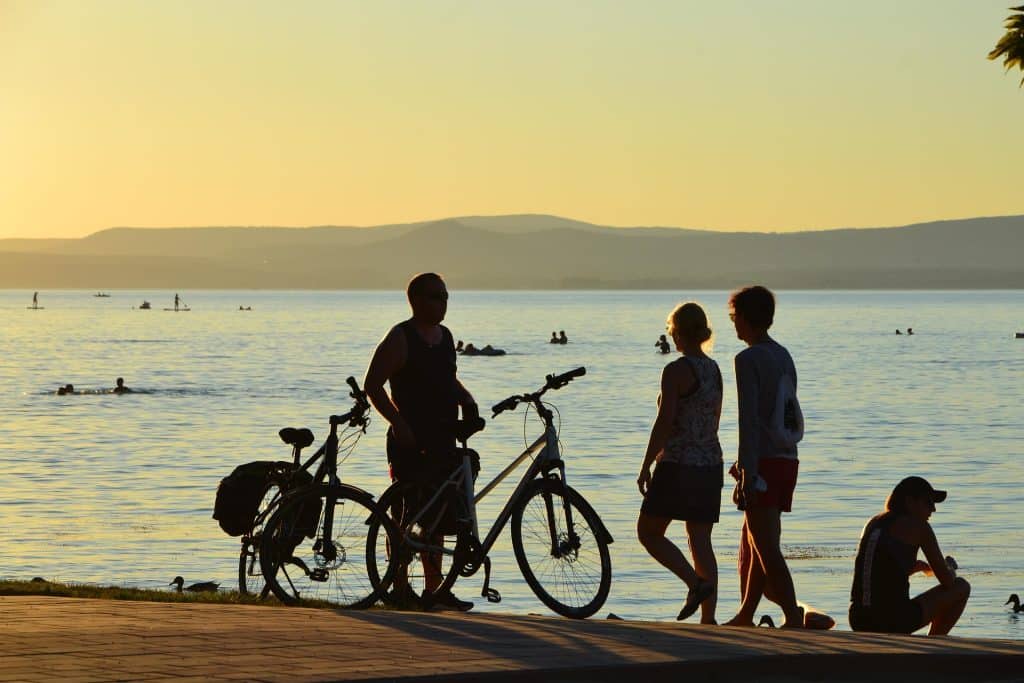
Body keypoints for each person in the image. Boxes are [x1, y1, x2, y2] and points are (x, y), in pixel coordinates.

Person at [364, 272, 478, 612]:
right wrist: (398, 422)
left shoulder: (445, 338)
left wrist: (468, 402)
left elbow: (448, 379)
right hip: (410, 437)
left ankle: (435, 589)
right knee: (405, 513)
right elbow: (373, 385)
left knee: (440, 514)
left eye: (445, 297)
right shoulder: (401, 337)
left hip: (443, 434)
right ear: (416, 300)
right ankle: (398, 586)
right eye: (435, 296)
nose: (442, 303)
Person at [637, 302, 723, 623]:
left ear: (677, 332)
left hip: (679, 464)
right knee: (700, 540)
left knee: (648, 532)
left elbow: (665, 420)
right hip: (710, 463)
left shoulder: (675, 370)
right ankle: (708, 619)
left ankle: (695, 583)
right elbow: (714, 417)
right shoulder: (713, 369)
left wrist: (647, 463)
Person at [725, 285, 804, 628]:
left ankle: (793, 615)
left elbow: (749, 420)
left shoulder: (748, 359)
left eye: (734, 317)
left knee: (766, 545)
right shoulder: (783, 355)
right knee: (758, 540)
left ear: (744, 317)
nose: (733, 325)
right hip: (787, 458)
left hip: (765, 462)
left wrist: (746, 470)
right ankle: (745, 613)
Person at [849, 477, 970, 635]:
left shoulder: (873, 523)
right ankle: (934, 644)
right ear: (910, 502)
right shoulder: (920, 527)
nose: (933, 509)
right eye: (928, 502)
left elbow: (877, 571)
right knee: (961, 586)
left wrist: (912, 568)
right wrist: (950, 568)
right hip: (893, 620)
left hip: (858, 618)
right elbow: (947, 581)